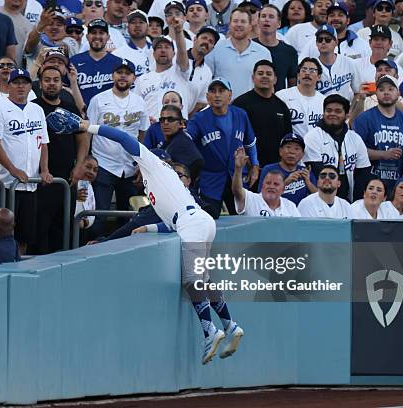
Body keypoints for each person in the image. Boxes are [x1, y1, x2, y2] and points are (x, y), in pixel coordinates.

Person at [46, 107, 245, 366]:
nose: (136, 165)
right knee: (204, 280)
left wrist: (87, 126)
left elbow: (122, 138)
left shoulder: (154, 165)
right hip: (197, 222)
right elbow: (170, 224)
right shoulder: (157, 186)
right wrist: (147, 229)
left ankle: (210, 331)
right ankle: (230, 326)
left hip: (192, 223)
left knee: (191, 282)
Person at [32, 66, 90, 254]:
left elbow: (82, 137)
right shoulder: (33, 107)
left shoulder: (69, 107)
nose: (51, 83)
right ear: (40, 83)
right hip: (40, 179)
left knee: (63, 229)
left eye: (55, 79)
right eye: (47, 80)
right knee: (39, 230)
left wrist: (80, 165)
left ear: (61, 83)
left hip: (67, 178)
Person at [87, 58, 148, 236]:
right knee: (99, 215)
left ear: (133, 78)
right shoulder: (98, 100)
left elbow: (142, 133)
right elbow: (88, 132)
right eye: (119, 72)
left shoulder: (139, 101)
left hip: (130, 167)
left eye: (127, 73)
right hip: (104, 164)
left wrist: (141, 163)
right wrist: (85, 159)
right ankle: (92, 252)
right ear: (113, 75)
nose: (123, 76)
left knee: (129, 217)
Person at [0, 68, 51, 255]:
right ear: (8, 85)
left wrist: (45, 169)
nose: (21, 86)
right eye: (16, 82)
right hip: (6, 183)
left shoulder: (37, 109)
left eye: (25, 82)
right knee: (1, 233)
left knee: (25, 235)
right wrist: (12, 169)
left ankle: (19, 272)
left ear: (30, 86)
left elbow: (43, 142)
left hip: (30, 185)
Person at [188, 77, 259, 217]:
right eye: (213, 91)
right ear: (207, 97)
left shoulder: (241, 114)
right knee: (210, 219)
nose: (217, 95)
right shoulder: (198, 119)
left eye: (221, 91)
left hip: (237, 176)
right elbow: (186, 139)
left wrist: (255, 165)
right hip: (210, 180)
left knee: (242, 219)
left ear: (230, 95)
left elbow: (250, 143)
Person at [353, 74, 403, 193]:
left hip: (395, 186)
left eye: (391, 89)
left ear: (398, 93)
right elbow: (356, 152)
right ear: (376, 94)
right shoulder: (364, 118)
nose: (386, 93)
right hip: (368, 184)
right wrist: (383, 154)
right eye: (381, 89)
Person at [303, 94, 371, 201]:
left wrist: (357, 203)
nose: (332, 114)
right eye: (328, 110)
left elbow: (363, 173)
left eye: (338, 111)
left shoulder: (355, 138)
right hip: (320, 200)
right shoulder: (312, 137)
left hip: (349, 201)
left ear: (347, 115)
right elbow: (316, 173)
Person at [233, 59, 293, 168]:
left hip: (274, 168)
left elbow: (287, 140)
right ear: (253, 78)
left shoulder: (282, 107)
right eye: (260, 73)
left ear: (275, 79)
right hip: (246, 166)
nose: (264, 76)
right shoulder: (240, 104)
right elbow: (233, 137)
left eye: (269, 74)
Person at [134, 20, 196, 120]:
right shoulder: (142, 79)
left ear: (174, 53)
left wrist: (179, 31)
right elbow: (136, 107)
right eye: (159, 47)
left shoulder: (180, 72)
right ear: (153, 54)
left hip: (177, 129)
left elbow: (182, 52)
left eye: (167, 47)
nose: (163, 50)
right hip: (151, 130)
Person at [205, 8, 272, 100]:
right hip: (223, 109)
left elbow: (268, 85)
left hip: (252, 108)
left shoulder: (263, 52)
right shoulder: (215, 49)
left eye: (243, 21)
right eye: (235, 21)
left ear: (250, 26)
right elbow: (206, 80)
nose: (239, 25)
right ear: (229, 25)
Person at [232, 146, 301, 216]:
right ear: (262, 185)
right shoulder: (251, 199)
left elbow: (297, 226)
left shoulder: (290, 206)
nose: (271, 186)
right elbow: (237, 190)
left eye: (276, 184)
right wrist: (238, 168)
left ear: (283, 189)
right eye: (268, 183)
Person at [70, 19, 123, 106]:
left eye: (101, 33)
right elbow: (64, 88)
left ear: (108, 37)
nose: (97, 36)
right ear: (87, 37)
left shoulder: (119, 63)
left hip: (110, 115)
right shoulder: (74, 61)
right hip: (81, 115)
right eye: (93, 33)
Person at [258, 133, 318, 205]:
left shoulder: (305, 171)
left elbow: (319, 199)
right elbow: (260, 197)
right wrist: (285, 182)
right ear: (280, 151)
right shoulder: (269, 170)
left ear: (302, 155)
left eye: (297, 148)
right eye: (288, 147)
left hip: (300, 214)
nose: (292, 152)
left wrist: (308, 183)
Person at [299, 1, 371, 60]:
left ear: (348, 20)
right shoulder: (314, 43)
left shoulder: (361, 44)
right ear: (327, 20)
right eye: (332, 15)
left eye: (340, 15)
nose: (336, 18)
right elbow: (301, 65)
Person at [276, 57, 325, 137]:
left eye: (312, 70)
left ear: (319, 77)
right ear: (298, 75)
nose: (307, 73)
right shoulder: (282, 96)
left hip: (316, 147)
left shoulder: (324, 101)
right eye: (304, 70)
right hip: (291, 146)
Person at [254, 4, 298, 91]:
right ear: (258, 21)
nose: (266, 19)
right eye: (263, 16)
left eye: (271, 17)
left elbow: (292, 83)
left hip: (278, 100)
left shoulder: (289, 52)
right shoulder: (249, 47)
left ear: (279, 23)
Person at [313, 24, 361, 102]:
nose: (323, 42)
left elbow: (358, 92)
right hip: (320, 112)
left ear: (336, 42)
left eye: (328, 39)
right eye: (320, 39)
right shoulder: (311, 66)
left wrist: (351, 112)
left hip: (344, 111)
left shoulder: (349, 62)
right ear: (316, 43)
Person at [112, 10, 152, 77]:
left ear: (148, 27)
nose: (137, 25)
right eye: (133, 22)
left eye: (141, 22)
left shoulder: (157, 50)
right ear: (127, 27)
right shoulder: (117, 55)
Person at [187, 26, 218, 112]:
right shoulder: (177, 58)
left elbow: (201, 103)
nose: (206, 42)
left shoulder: (207, 73)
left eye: (211, 41)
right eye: (204, 38)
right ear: (195, 39)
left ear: (212, 48)